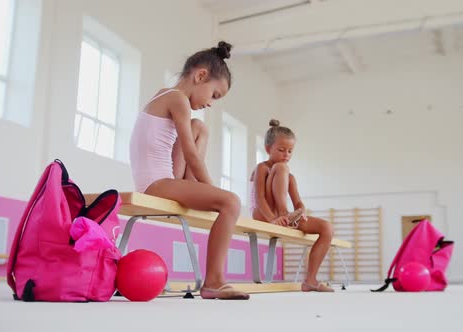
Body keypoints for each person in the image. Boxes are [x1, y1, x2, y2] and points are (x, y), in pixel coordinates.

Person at [129, 41, 249, 300]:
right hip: (157, 183)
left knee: (199, 127)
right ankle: (214, 281)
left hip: (164, 177)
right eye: (214, 95)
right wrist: (214, 190)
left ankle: (214, 279)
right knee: (231, 202)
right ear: (201, 76)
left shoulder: (164, 94)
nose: (211, 103)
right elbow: (192, 155)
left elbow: (189, 146)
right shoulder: (177, 99)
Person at [250, 119, 335, 292]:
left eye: (290, 151)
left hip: (285, 216)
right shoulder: (262, 168)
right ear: (268, 149)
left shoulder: (290, 176)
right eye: (281, 150)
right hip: (264, 213)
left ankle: (310, 280)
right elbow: (259, 198)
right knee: (281, 168)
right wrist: (273, 219)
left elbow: (298, 202)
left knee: (326, 228)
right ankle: (285, 215)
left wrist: (301, 211)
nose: (286, 155)